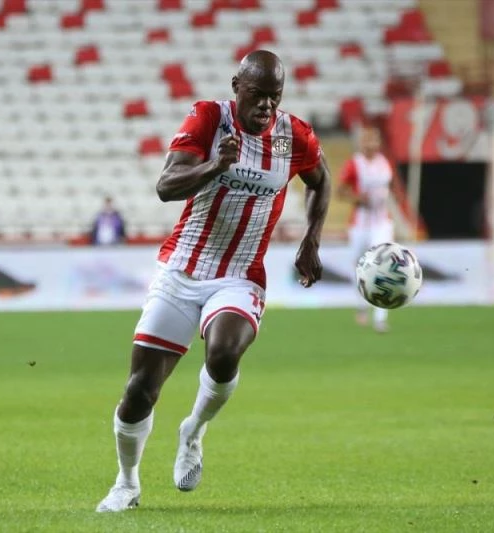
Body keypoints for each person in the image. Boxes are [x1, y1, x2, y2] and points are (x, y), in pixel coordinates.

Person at [96, 50, 331, 512]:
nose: (267, 105)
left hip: (241, 274)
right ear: (237, 87)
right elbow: (166, 186)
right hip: (183, 268)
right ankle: (127, 483)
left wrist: (311, 240)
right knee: (139, 390)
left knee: (223, 353)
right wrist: (214, 167)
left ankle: (194, 430)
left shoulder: (294, 135)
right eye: (258, 94)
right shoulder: (208, 118)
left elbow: (320, 181)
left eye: (275, 96)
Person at [337, 124, 396, 333]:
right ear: (361, 143)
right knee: (361, 267)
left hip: (381, 223)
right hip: (360, 224)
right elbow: (340, 191)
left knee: (383, 266)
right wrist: (357, 198)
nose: (370, 144)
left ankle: (380, 317)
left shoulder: (385, 163)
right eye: (367, 140)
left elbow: (388, 190)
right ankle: (362, 305)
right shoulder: (354, 164)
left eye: (374, 140)